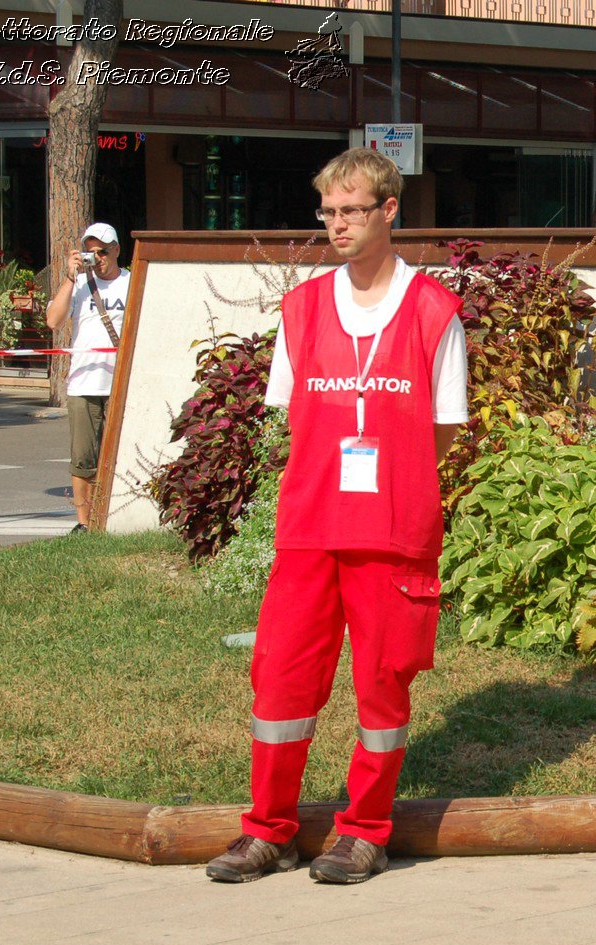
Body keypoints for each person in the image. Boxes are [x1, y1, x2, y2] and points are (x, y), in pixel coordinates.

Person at [205, 148, 468, 886]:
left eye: (352, 210)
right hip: (311, 526)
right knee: (281, 682)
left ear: (390, 211)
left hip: (393, 530)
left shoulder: (433, 310)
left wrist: (393, 478)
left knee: (384, 687)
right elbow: (294, 416)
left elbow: (443, 427)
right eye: (328, 211)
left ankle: (364, 830)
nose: (337, 224)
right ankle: (268, 830)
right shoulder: (303, 306)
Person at [45, 222, 130, 534]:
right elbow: (53, 321)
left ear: (117, 250)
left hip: (120, 382)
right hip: (84, 382)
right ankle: (84, 524)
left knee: (119, 452)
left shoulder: (131, 283)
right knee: (83, 457)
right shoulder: (79, 286)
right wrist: (71, 277)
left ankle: (114, 518)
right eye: (91, 252)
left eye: (103, 252)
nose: (98, 258)